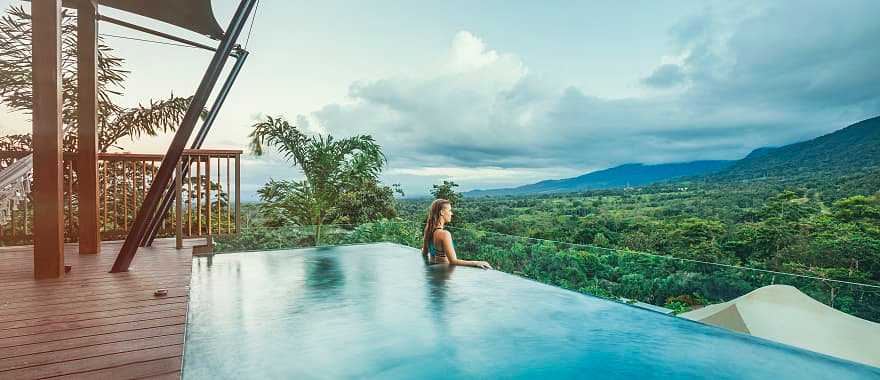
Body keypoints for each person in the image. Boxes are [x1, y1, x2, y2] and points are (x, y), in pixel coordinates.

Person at [421, 199, 492, 269]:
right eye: (449, 210)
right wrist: (476, 263)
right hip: (443, 275)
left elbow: (424, 252)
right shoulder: (444, 234)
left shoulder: (429, 231)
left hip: (434, 272)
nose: (451, 213)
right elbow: (453, 261)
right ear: (442, 212)